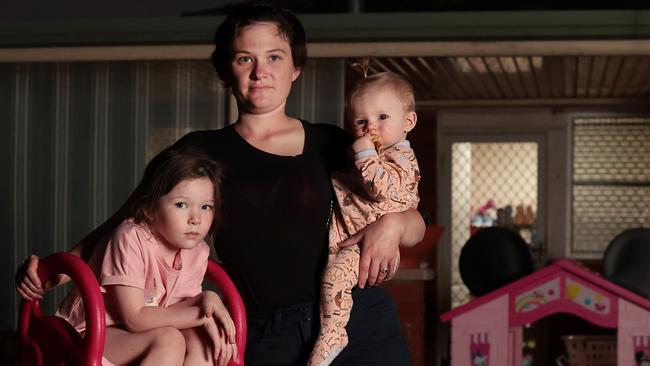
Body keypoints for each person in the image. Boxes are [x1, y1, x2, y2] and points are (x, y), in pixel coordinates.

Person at [16, 4, 425, 365]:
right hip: (267, 335)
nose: (260, 71)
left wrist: (394, 225)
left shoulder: (337, 142)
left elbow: (413, 217)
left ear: (296, 67)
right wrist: (53, 272)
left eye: (275, 57)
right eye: (245, 58)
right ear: (227, 69)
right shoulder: (197, 151)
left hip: (357, 320)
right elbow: (124, 223)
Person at [20, 146, 238, 366]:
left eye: (206, 207)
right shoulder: (130, 237)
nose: (196, 219)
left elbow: (180, 311)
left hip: (147, 332)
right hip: (89, 333)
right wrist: (205, 314)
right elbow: (135, 319)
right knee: (170, 340)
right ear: (150, 206)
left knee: (204, 342)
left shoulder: (197, 252)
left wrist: (207, 303)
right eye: (181, 204)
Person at [308, 71, 421, 366]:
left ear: (408, 122)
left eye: (382, 117)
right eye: (361, 121)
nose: (371, 127)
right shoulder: (372, 155)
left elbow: (380, 190)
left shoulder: (401, 158)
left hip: (362, 247)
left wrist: (364, 155)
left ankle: (333, 335)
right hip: (350, 237)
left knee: (334, 280)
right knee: (332, 282)